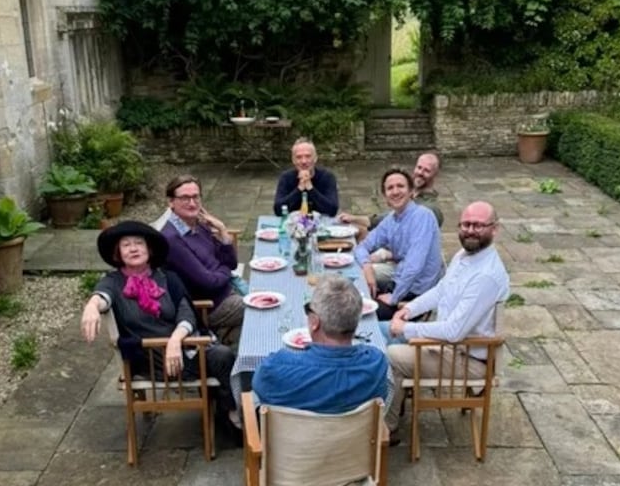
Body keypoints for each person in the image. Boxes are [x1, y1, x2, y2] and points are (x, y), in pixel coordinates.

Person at [79, 220, 241, 437]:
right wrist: (91, 305)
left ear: (149, 249)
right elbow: (102, 297)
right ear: (118, 253)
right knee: (222, 356)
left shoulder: (167, 277)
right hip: (153, 360)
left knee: (231, 354)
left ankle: (226, 406)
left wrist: (176, 339)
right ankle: (232, 417)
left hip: (184, 348)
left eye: (139, 243)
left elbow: (186, 312)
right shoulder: (113, 282)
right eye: (126, 245)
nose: (134, 248)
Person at [384, 201, 510, 444]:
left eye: (478, 225)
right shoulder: (465, 255)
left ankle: (387, 428)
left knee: (391, 355)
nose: (471, 230)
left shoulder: (486, 276)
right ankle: (386, 402)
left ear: (494, 229)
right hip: (450, 347)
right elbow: (441, 290)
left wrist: (406, 328)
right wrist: (410, 309)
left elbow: (453, 331)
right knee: (379, 331)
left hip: (466, 359)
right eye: (466, 224)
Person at [252, 275, 388, 413]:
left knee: (253, 398)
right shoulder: (376, 363)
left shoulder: (275, 368)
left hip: (294, 434)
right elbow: (382, 398)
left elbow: (260, 389)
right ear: (357, 320)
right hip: (358, 434)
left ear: (315, 322)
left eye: (308, 310)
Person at [160, 174, 244, 348]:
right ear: (170, 202)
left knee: (270, 297)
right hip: (209, 306)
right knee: (263, 310)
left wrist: (222, 231)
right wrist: (225, 271)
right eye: (184, 198)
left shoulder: (200, 225)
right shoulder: (172, 240)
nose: (192, 203)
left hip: (227, 290)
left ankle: (235, 349)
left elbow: (232, 262)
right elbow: (208, 283)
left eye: (195, 197)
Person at [353, 167, 443, 321]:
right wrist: (367, 267)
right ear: (385, 196)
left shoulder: (423, 217)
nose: (395, 192)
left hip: (415, 297)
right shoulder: (391, 220)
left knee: (354, 315)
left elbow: (413, 268)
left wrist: (394, 297)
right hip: (397, 283)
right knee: (346, 292)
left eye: (400, 186)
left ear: (411, 192)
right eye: (390, 188)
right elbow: (362, 247)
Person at [338, 152, 444, 236]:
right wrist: (354, 219)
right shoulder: (410, 195)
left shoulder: (431, 209)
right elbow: (387, 218)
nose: (420, 173)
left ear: (435, 174)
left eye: (427, 171)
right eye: (419, 167)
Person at [273, 138, 339, 217]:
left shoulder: (327, 177)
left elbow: (332, 210)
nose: (304, 161)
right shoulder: (286, 178)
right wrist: (299, 189)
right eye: (299, 157)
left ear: (315, 158)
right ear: (293, 160)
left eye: (308, 156)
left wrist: (310, 188)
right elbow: (278, 210)